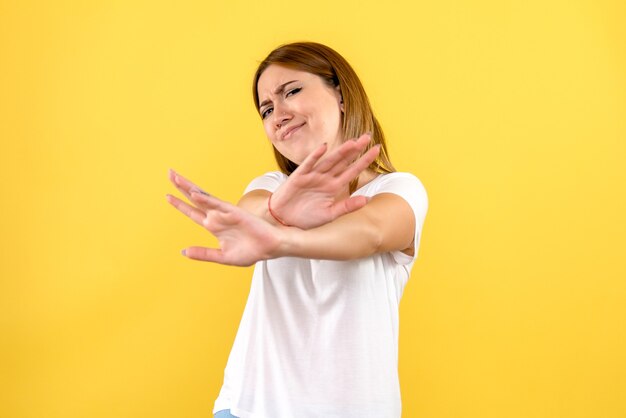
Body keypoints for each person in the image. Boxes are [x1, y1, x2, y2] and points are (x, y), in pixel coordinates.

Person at [166, 42, 428, 418]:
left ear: (340, 94)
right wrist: (276, 212)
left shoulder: (398, 189)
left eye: (291, 91)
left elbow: (369, 231)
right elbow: (251, 213)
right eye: (267, 109)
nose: (278, 115)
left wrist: (282, 238)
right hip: (248, 408)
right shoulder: (271, 185)